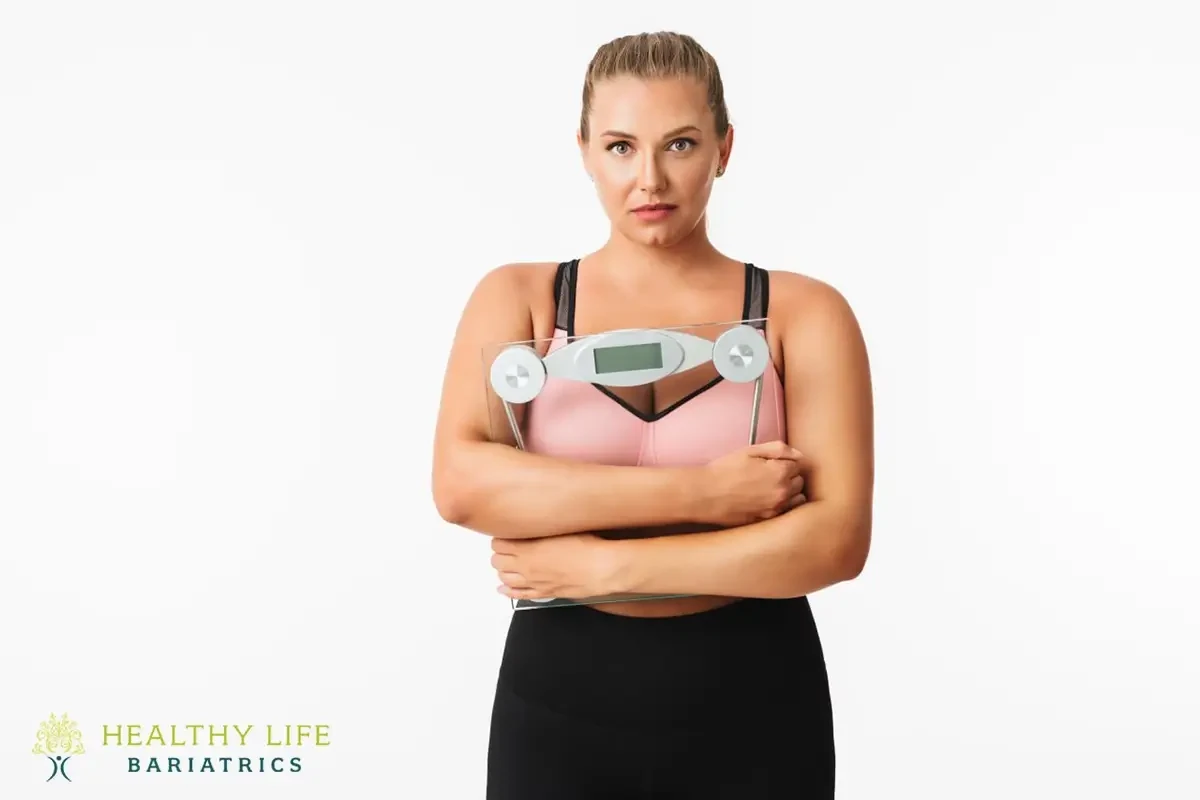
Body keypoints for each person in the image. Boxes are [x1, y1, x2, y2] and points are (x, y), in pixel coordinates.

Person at [432, 30, 874, 799]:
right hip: (559, 703)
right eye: (620, 146)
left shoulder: (804, 315)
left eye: (679, 143)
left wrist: (605, 566)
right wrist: (706, 496)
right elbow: (463, 486)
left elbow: (835, 542)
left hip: (758, 702)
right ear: (583, 151)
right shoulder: (522, 299)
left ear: (724, 148)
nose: (650, 179)